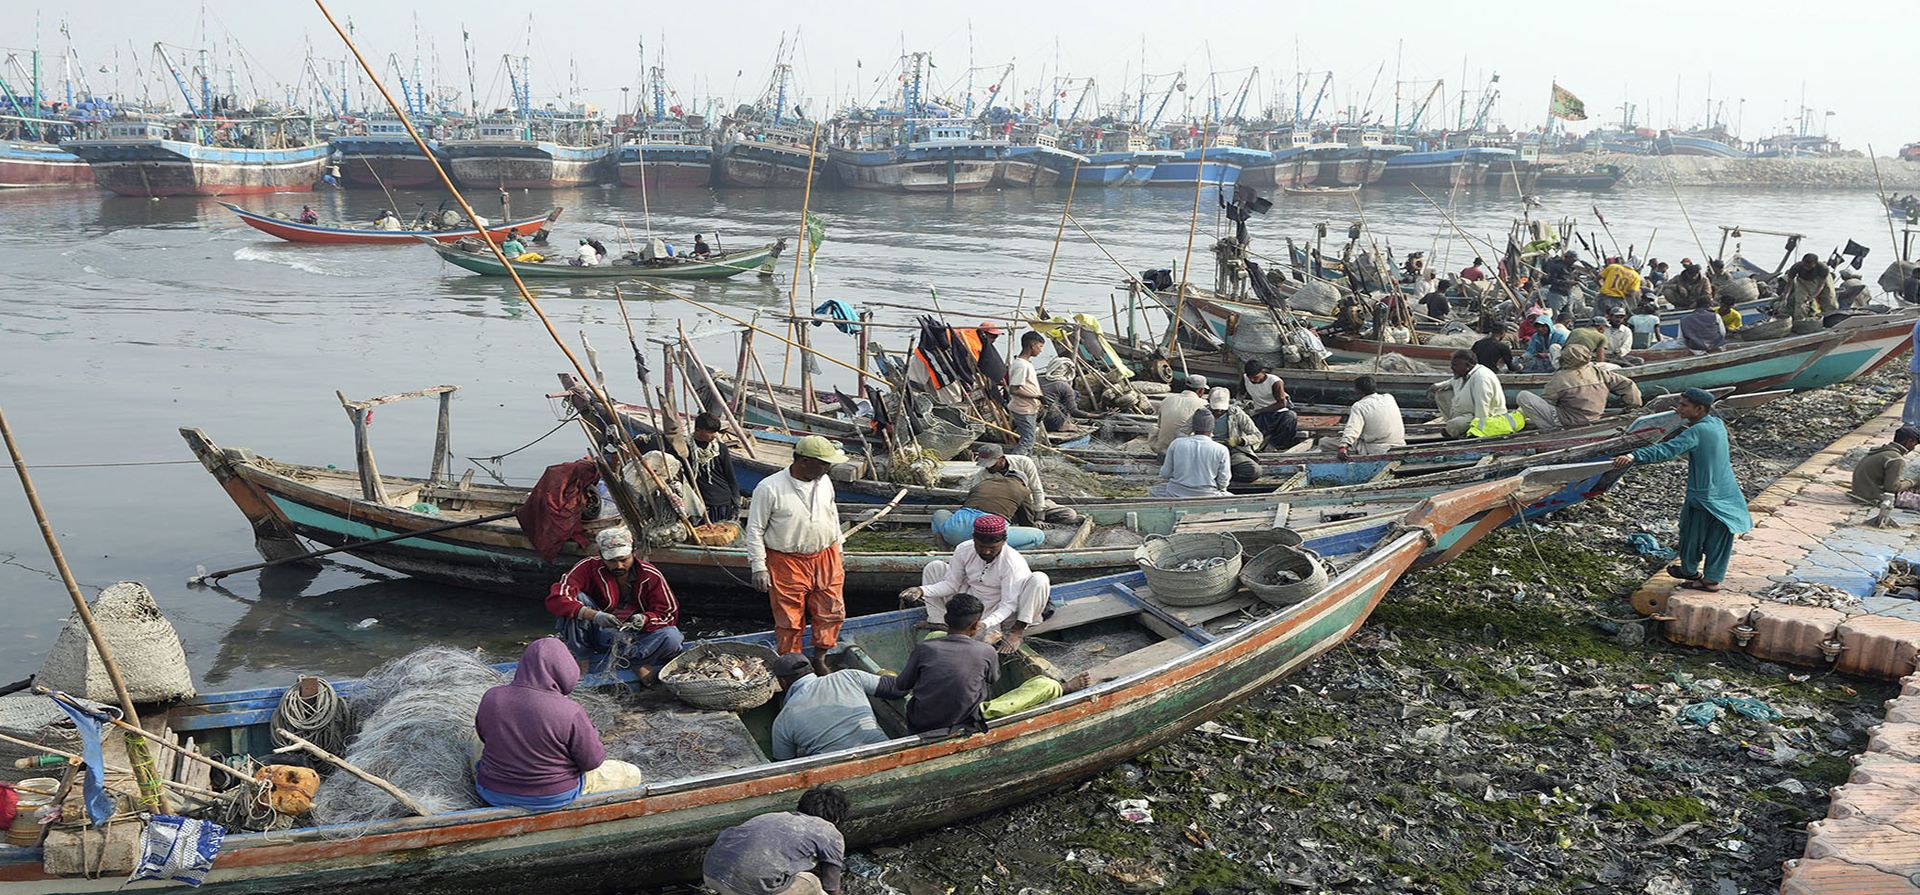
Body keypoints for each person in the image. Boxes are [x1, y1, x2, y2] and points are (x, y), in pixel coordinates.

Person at [473, 638, 646, 810]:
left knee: (474, 740)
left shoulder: (492, 696)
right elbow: (592, 762)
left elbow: (483, 735)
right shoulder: (570, 710)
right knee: (631, 773)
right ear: (565, 669)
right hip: (552, 796)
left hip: (492, 792)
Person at [1611, 389, 1752, 592]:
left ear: (1700, 409)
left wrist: (1634, 456)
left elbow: (1667, 450)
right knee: (1720, 537)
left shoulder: (1696, 432)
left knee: (1691, 534)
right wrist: (1681, 415)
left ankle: (1690, 571)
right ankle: (1711, 579)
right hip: (1727, 492)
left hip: (1703, 495)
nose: (1679, 408)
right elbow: (1695, 435)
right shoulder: (1716, 424)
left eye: (1684, 405)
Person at [743, 435, 848, 676]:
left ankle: (821, 657)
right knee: (789, 618)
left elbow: (833, 514)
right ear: (803, 461)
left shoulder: (824, 481)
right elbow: (755, 529)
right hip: (786, 560)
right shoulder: (769, 488)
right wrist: (758, 566)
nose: (827, 468)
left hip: (826, 553)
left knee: (831, 610)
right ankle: (795, 666)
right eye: (823, 463)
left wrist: (839, 550)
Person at [545, 528, 685, 682]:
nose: (619, 565)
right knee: (576, 598)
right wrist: (594, 615)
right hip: (599, 632)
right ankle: (583, 657)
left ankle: (638, 662)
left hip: (635, 637)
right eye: (611, 561)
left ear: (633, 552)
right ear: (601, 555)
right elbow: (557, 597)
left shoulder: (650, 574)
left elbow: (668, 613)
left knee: (672, 637)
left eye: (624, 559)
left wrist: (645, 619)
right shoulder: (587, 567)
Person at [900, 513, 1050, 654]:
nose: (986, 552)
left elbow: (1008, 605)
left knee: (1039, 579)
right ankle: (939, 623)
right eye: (980, 546)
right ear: (973, 539)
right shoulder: (963, 549)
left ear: (1003, 541)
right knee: (934, 567)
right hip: (972, 600)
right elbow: (951, 585)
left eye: (992, 548)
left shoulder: (1012, 563)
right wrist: (921, 590)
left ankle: (1017, 632)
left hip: (1000, 610)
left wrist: (984, 623)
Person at [872, 593, 1000, 734]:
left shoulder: (925, 648)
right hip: (963, 723)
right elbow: (993, 679)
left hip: (921, 723)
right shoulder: (987, 651)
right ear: (976, 625)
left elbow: (902, 685)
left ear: (946, 619)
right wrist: (987, 645)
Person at [703, 785, 851, 895]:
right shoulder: (829, 832)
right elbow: (831, 888)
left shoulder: (770, 816)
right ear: (837, 818)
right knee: (811, 883)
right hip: (744, 889)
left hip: (711, 874)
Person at [769, 654, 888, 761]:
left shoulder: (782, 721)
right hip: (887, 753)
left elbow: (784, 763)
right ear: (812, 670)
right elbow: (897, 689)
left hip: (835, 771)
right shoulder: (849, 676)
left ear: (783, 682)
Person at [1517, 344, 1642, 430]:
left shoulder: (1560, 377)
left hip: (1568, 421)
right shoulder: (1598, 371)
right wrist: (1633, 406)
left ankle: (1550, 430)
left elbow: (1547, 401)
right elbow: (1628, 384)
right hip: (1594, 416)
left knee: (1523, 396)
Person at [934, 459, 1046, 550]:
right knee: (1038, 536)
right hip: (989, 536)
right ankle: (1005, 553)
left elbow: (969, 501)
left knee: (939, 513)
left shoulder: (984, 483)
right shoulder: (1023, 490)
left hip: (955, 534)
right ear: (1023, 483)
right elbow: (1025, 519)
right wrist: (1033, 524)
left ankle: (944, 547)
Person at [974, 441, 1077, 524]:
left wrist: (1039, 516)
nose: (988, 467)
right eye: (985, 465)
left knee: (1069, 514)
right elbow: (978, 497)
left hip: (1030, 503)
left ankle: (1037, 519)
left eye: (991, 464)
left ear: (1001, 459)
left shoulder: (1023, 462)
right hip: (1006, 508)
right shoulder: (982, 475)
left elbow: (1036, 488)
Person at [1150, 409, 1232, 497]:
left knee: (1153, 491)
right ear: (1212, 427)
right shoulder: (1221, 449)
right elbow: (1224, 481)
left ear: (1192, 426)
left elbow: (1165, 473)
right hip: (1208, 495)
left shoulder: (1177, 443)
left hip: (1175, 493)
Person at [1432, 349, 1507, 438]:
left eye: (1455, 365)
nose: (1452, 368)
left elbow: (1483, 407)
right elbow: (1451, 382)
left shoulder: (1481, 378)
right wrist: (1436, 386)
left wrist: (1477, 431)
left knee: (1454, 425)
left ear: (1467, 365)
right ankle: (1454, 425)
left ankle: (1459, 429)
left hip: (1484, 417)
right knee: (1442, 393)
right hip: (1465, 414)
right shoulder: (1462, 374)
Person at [1328, 375, 1407, 458]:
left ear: (1358, 391)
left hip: (1376, 448)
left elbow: (1353, 429)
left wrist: (1343, 447)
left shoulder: (1359, 406)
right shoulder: (1389, 398)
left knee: (1324, 442)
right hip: (1400, 444)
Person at [687, 412, 741, 523]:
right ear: (698, 430)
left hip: (723, 503)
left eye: (715, 432)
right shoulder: (685, 450)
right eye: (710, 432)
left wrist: (736, 499)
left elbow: (730, 476)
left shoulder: (720, 448)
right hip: (700, 504)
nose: (715, 435)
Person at [1850, 427, 1920, 506]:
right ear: (1909, 441)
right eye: (1914, 444)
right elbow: (1893, 488)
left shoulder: (1882, 451)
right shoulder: (1896, 459)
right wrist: (1914, 481)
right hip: (1872, 497)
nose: (1914, 448)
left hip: (1860, 492)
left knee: (1912, 488)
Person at [1208, 387, 1264, 483]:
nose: (1218, 412)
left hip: (1232, 451)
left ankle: (1222, 475)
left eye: (1222, 409)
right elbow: (1183, 432)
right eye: (1215, 409)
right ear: (1209, 402)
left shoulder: (1236, 413)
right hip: (1207, 451)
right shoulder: (1201, 413)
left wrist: (1239, 441)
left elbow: (1257, 435)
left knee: (1254, 471)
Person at [1243, 361, 1298, 450]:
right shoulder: (1245, 378)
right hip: (1260, 413)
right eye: (1250, 378)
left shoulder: (1275, 382)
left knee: (1290, 417)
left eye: (1255, 377)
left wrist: (1259, 411)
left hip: (1278, 412)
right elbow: (1241, 392)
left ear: (1263, 372)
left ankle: (1277, 445)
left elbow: (1281, 404)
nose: (1252, 380)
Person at [1006, 331, 1046, 455]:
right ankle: (1014, 464)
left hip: (1030, 408)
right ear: (1032, 345)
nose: (1040, 350)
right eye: (1039, 347)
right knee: (1027, 440)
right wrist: (1037, 396)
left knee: (1030, 439)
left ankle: (1026, 464)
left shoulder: (1027, 363)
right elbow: (1014, 389)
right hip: (1023, 409)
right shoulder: (1021, 365)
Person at [1150, 375, 1210, 454]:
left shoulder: (1167, 399)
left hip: (1162, 450)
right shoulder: (1203, 404)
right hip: (1183, 452)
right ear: (1201, 390)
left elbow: (1159, 424)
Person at [1781, 253, 1837, 330]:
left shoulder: (1823, 268)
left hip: (1821, 280)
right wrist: (1785, 298)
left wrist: (1812, 297)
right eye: (1804, 265)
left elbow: (1821, 286)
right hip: (1803, 281)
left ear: (1815, 264)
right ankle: (1800, 323)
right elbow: (1789, 284)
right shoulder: (1796, 267)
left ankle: (1830, 321)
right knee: (1800, 303)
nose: (1806, 267)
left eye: (1809, 266)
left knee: (1829, 299)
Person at [974, 322, 1008, 401]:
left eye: (996, 337)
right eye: (993, 336)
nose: (994, 340)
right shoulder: (976, 346)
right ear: (983, 334)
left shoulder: (988, 347)